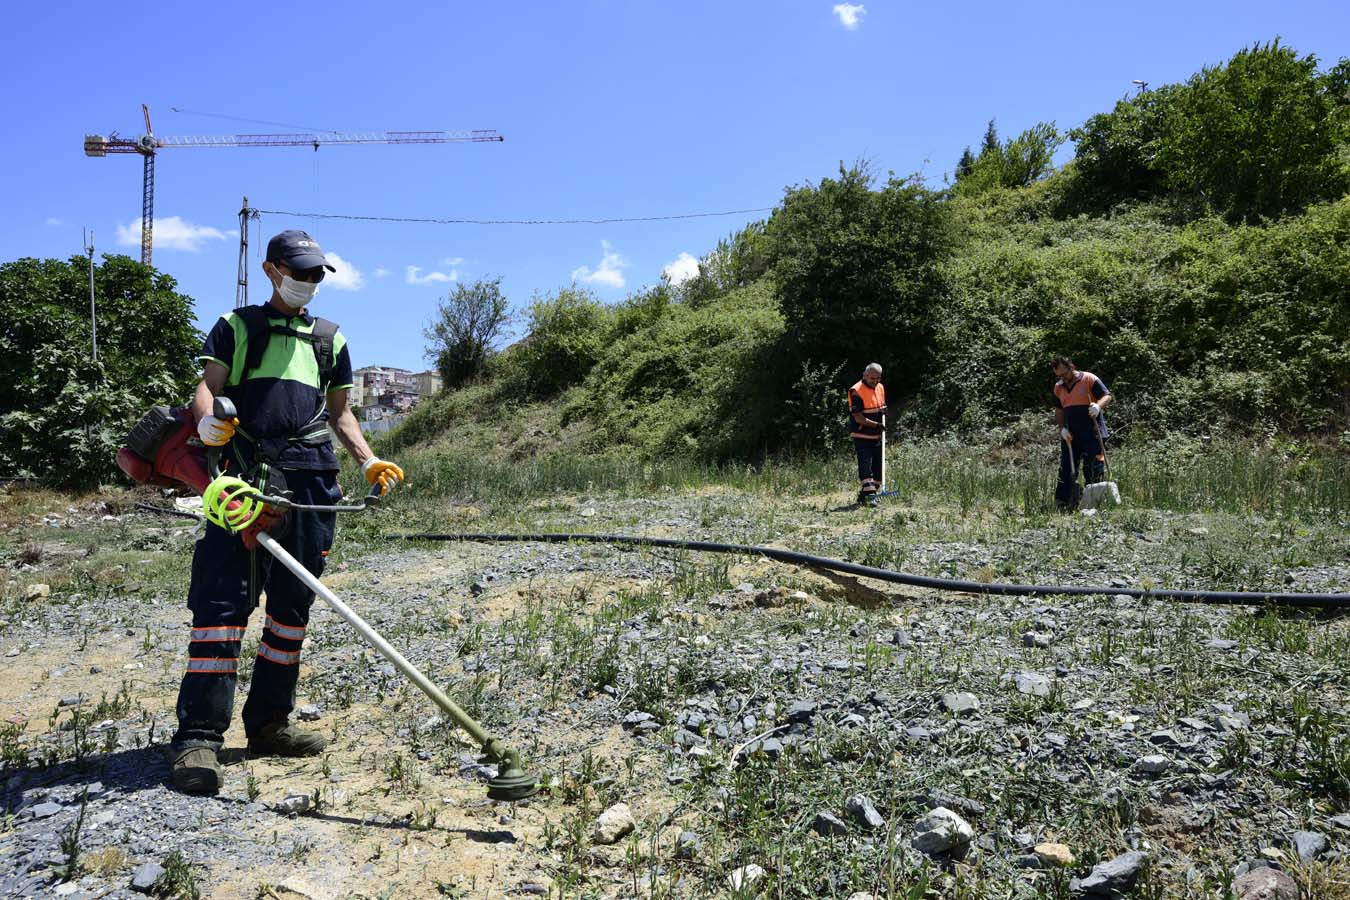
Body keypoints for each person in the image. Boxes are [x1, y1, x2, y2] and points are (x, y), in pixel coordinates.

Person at [169, 230, 405, 794]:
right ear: (273, 269)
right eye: (299, 271)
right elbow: (209, 387)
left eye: (317, 274)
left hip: (313, 482)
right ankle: (199, 738)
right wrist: (207, 424)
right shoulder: (238, 326)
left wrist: (368, 459)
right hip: (247, 480)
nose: (309, 282)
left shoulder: (329, 338)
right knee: (223, 604)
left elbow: (341, 411)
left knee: (292, 608)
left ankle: (270, 724)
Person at [1051, 355, 1112, 512]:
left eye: (1064, 374)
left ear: (1072, 367)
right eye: (1059, 376)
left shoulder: (1089, 379)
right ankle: (1064, 503)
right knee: (1066, 468)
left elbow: (1107, 396)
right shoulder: (1058, 387)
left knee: (1094, 466)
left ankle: (1095, 503)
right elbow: (1059, 411)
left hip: (1093, 432)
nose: (1062, 379)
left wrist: (1098, 406)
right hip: (1071, 435)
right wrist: (1062, 429)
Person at [847, 363, 887, 506]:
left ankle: (864, 497)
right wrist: (876, 425)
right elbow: (859, 418)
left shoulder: (880, 387)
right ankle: (871, 497)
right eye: (872, 378)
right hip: (862, 435)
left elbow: (880, 405)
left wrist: (883, 410)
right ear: (865, 375)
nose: (875, 381)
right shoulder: (856, 391)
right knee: (866, 466)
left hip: (877, 436)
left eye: (877, 378)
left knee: (878, 467)